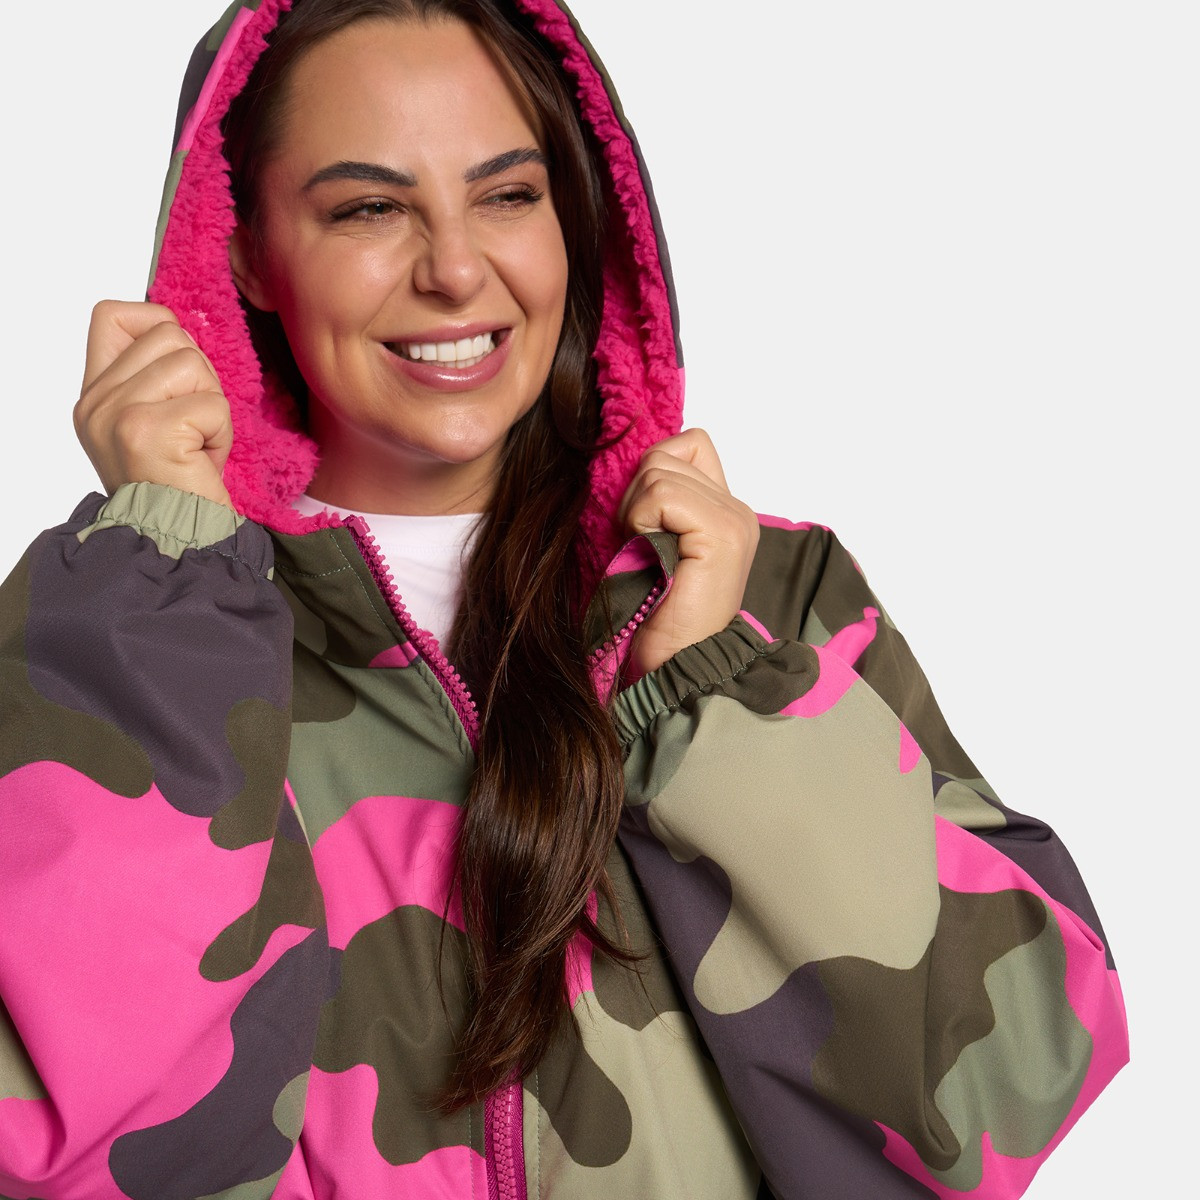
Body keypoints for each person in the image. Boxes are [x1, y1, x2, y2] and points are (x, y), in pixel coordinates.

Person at [0, 0, 1129, 1196]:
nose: (454, 270)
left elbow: (1006, 1095)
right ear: (244, 255)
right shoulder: (126, 633)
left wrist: (708, 700)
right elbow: (73, 1156)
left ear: (580, 220)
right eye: (369, 208)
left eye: (508, 195)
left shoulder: (763, 600)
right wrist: (166, 586)